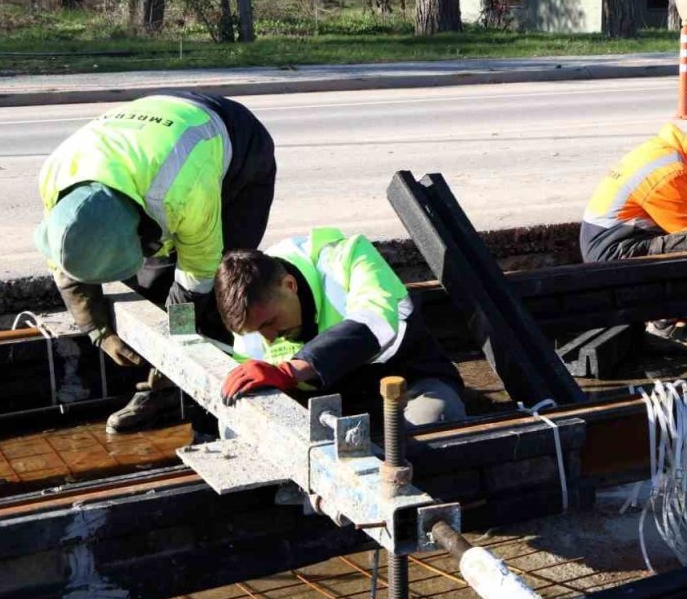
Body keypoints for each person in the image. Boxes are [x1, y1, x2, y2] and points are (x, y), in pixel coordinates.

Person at [34, 91, 276, 436]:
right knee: (150, 286)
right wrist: (98, 331)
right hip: (155, 151)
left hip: (238, 151)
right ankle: (161, 392)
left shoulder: (181, 193)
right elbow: (67, 265)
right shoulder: (58, 182)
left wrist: (173, 345)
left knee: (223, 293)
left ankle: (215, 408)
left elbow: (198, 278)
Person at [213, 228, 466, 427]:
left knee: (434, 424)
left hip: (411, 385)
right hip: (328, 406)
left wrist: (290, 371)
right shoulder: (251, 314)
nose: (268, 338)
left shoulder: (349, 257)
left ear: (290, 285)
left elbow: (374, 321)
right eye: (256, 331)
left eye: (270, 323)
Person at [580, 122, 687, 351]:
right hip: (612, 249)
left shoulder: (664, 152)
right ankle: (664, 328)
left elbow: (683, 218)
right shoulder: (672, 172)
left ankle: (671, 313)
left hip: (607, 238)